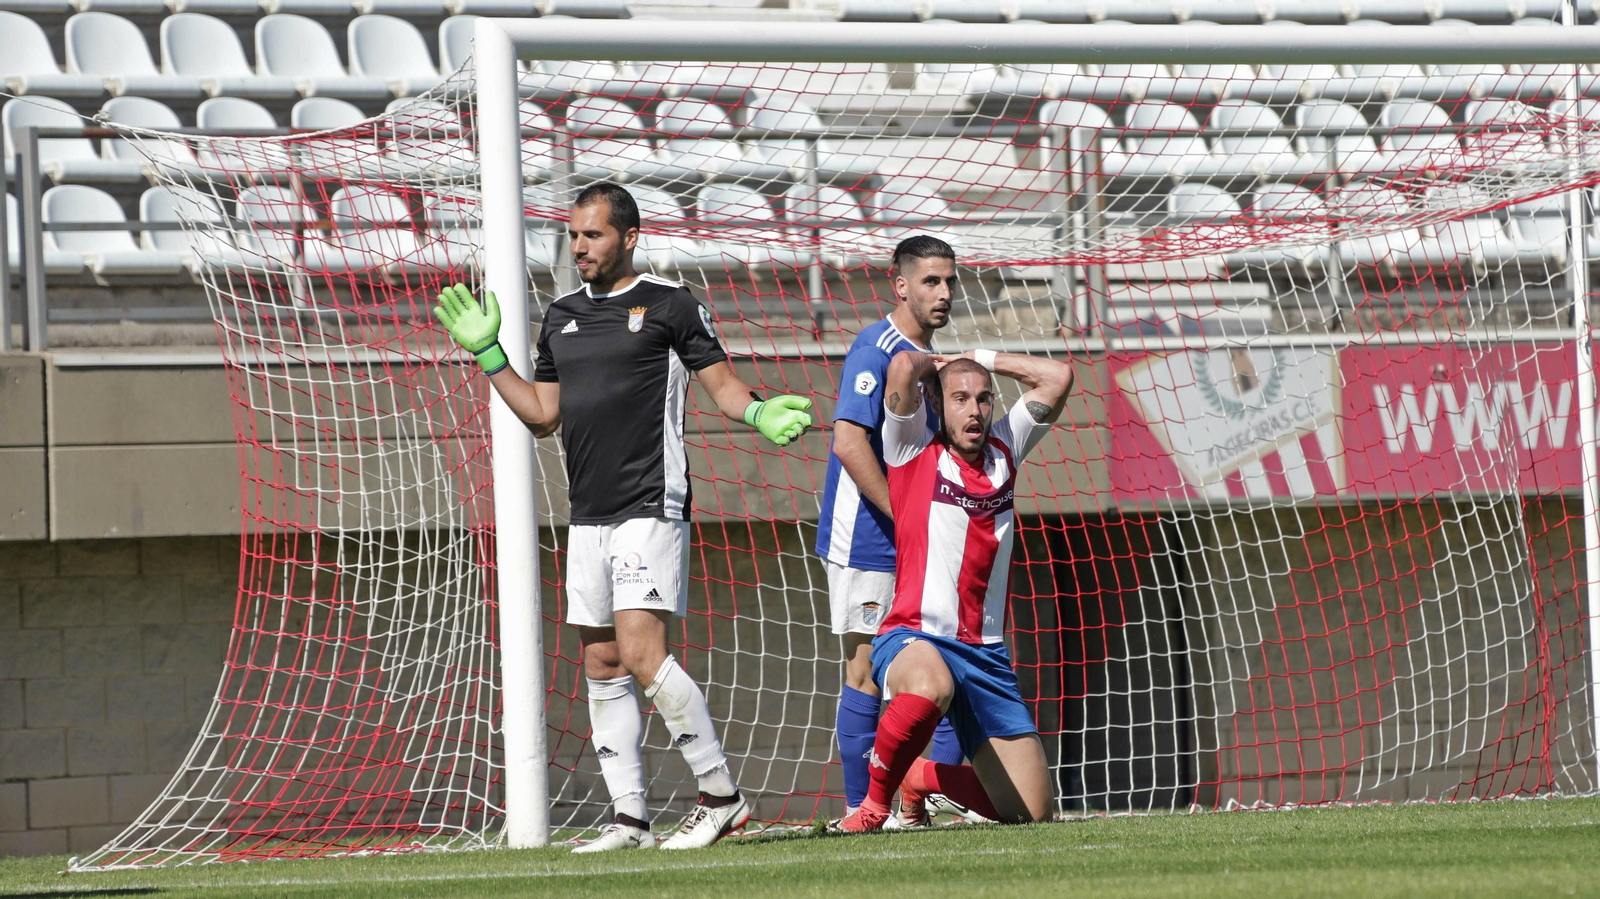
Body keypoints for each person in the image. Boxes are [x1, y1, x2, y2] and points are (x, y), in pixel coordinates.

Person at [433, 182, 814, 852]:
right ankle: (629, 819)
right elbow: (543, 416)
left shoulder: (670, 304)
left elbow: (722, 387)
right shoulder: (560, 316)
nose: (579, 247)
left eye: (593, 235)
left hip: (650, 502)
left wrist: (758, 411)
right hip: (590, 512)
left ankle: (721, 795)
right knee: (604, 662)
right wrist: (489, 354)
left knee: (642, 651)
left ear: (629, 237)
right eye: (574, 235)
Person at [832, 345, 1075, 832]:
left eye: (984, 399)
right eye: (960, 398)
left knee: (1033, 812)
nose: (975, 410)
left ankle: (920, 778)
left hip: (985, 655)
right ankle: (873, 809)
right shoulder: (912, 448)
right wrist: (939, 365)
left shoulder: (1006, 447)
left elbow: (1058, 375)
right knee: (930, 685)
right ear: (937, 405)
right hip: (913, 637)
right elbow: (902, 368)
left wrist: (981, 356)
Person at [817, 235, 973, 826]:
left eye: (951, 281)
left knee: (942, 663)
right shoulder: (874, 348)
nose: (944, 292)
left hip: (914, 541)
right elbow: (849, 442)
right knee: (865, 672)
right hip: (867, 539)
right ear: (900, 284)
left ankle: (926, 797)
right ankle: (862, 807)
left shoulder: (928, 361)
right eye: (932, 281)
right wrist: (906, 519)